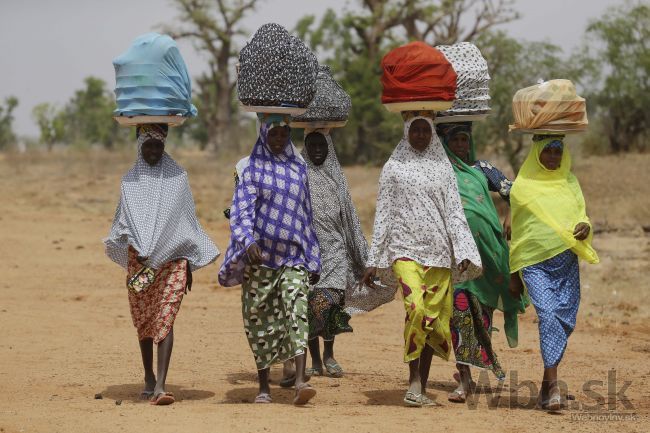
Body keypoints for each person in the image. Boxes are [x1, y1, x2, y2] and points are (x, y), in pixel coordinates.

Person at [362, 112, 482, 407]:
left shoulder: (443, 167)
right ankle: (414, 380)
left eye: (424, 131)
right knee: (415, 308)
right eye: (414, 131)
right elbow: (384, 213)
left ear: (432, 134)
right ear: (406, 132)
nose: (419, 136)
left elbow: (454, 211)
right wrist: (374, 257)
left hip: (439, 255)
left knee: (432, 320)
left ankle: (420, 387)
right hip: (405, 250)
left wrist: (464, 250)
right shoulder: (393, 167)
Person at [104, 123, 219, 406]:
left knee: (166, 316)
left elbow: (186, 222)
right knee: (145, 320)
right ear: (139, 147)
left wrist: (190, 262)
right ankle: (147, 376)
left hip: (172, 260)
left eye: (158, 145)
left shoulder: (178, 177)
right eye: (148, 145)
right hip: (139, 263)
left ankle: (160, 385)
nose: (154, 151)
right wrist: (139, 247)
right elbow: (122, 223)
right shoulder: (129, 181)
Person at [219, 114, 321, 405]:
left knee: (297, 309)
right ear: (263, 133)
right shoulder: (251, 169)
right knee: (259, 320)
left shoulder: (299, 168)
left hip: (294, 256)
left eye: (283, 134)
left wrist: (312, 256)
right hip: (260, 260)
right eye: (273, 134)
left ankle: (301, 380)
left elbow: (306, 216)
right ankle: (264, 386)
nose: (278, 140)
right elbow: (241, 210)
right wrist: (247, 241)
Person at [437, 122, 527, 403]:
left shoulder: (482, 169)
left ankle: (471, 367)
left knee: (482, 315)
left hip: (490, 253)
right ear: (446, 143)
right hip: (457, 257)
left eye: (465, 140)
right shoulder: (439, 171)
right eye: (456, 141)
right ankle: (464, 378)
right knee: (460, 309)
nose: (462, 146)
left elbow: (515, 193)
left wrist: (511, 216)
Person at [508, 135, 599, 411]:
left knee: (563, 320)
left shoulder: (569, 182)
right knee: (547, 315)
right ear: (537, 152)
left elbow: (581, 215)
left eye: (557, 151)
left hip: (566, 263)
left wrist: (585, 226)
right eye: (547, 150)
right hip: (534, 263)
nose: (552, 156)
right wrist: (513, 273)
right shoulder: (523, 186)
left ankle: (546, 390)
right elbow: (517, 230)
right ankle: (554, 386)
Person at [300, 129, 378, 378]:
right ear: (305, 148)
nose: (317, 150)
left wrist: (363, 256)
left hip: (336, 251)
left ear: (329, 147)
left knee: (330, 304)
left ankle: (329, 354)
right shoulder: (299, 175)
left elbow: (351, 218)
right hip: (309, 252)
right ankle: (314, 360)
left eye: (322, 145)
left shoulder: (337, 177)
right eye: (312, 145)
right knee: (310, 306)